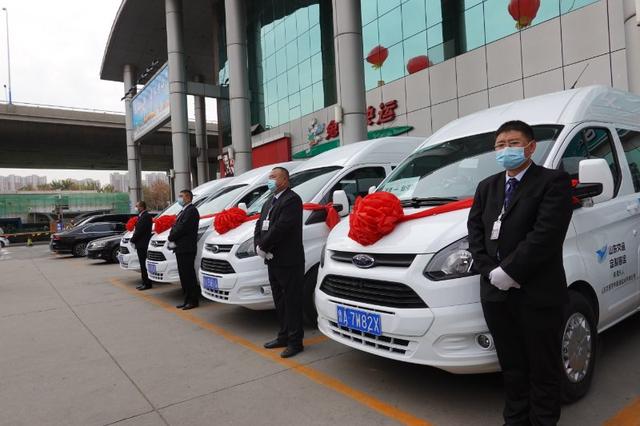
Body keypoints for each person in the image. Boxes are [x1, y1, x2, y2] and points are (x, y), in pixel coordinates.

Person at [467, 120, 573, 426]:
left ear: (530, 147)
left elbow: (546, 235)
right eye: (500, 145)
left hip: (537, 292)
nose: (505, 150)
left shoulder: (553, 182)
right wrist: (490, 272)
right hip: (495, 294)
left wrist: (510, 271)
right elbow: (475, 233)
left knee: (543, 366)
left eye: (512, 143)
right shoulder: (487, 187)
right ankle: (515, 420)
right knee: (512, 366)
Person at [255, 167, 305, 358]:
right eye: (269, 177)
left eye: (273, 177)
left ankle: (295, 342)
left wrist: (264, 246)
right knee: (280, 301)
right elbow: (259, 226)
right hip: (272, 260)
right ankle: (283, 335)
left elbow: (281, 227)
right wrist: (258, 245)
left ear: (284, 179)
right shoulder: (269, 201)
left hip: (288, 260)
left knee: (292, 302)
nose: (270, 180)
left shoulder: (292, 200)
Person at [168, 189, 200, 310]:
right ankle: (187, 299)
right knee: (183, 275)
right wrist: (171, 238)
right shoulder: (183, 211)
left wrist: (171, 237)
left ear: (187, 197)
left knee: (188, 275)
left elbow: (182, 228)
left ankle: (193, 300)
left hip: (187, 248)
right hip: (180, 248)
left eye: (181, 196)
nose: (179, 198)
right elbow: (175, 226)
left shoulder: (191, 211)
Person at [130, 201, 153, 291]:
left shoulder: (145, 216)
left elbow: (139, 231)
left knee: (144, 264)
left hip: (143, 244)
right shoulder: (142, 216)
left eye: (137, 206)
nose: (136, 208)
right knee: (142, 264)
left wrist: (132, 240)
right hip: (141, 243)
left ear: (142, 207)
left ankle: (147, 283)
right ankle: (144, 282)